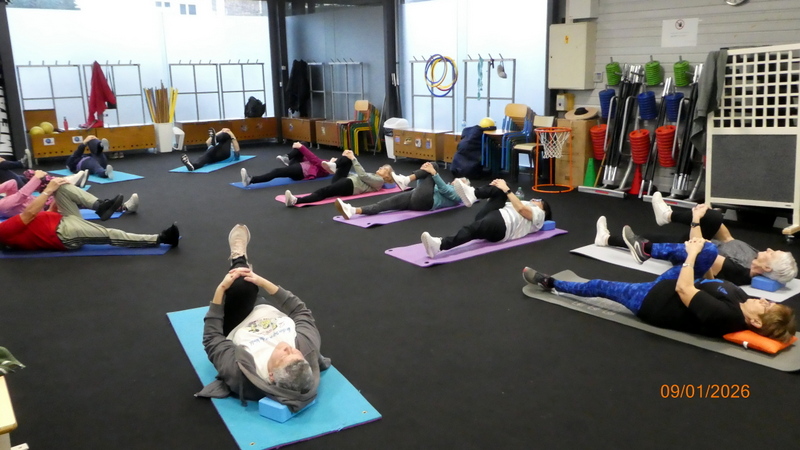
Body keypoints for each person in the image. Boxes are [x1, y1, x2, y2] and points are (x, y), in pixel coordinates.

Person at [523, 237, 797, 342]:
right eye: (770, 301)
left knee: (599, 286)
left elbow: (684, 289)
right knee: (709, 251)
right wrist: (700, 255)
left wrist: (691, 256)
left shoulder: (726, 316)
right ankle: (646, 248)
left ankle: (551, 283)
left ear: (755, 322)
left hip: (653, 300)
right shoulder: (743, 298)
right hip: (676, 282)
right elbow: (713, 281)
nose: (765, 300)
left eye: (767, 306)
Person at [195, 224, 328, 411]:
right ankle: (246, 274)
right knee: (251, 285)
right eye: (295, 353)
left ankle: (238, 258)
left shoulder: (242, 373)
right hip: (266, 307)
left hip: (238, 321)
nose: (289, 348)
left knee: (242, 286)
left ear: (271, 376)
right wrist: (262, 282)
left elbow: (212, 339)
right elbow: (299, 311)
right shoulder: (307, 348)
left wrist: (221, 290)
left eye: (285, 356)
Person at [595, 214, 798, 287]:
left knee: (652, 241)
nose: (769, 249)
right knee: (714, 217)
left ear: (767, 268)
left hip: (689, 251)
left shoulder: (738, 271)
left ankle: (639, 244)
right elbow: (729, 239)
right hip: (699, 243)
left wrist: (695, 220)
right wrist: (710, 218)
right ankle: (606, 239)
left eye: (772, 254)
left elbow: (700, 249)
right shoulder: (754, 255)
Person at [0, 178, 179, 251]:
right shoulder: (3, 231)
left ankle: (100, 207)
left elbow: (43, 217)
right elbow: (31, 213)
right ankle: (161, 239)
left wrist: (57, 194)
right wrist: (47, 191)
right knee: (110, 235)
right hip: (63, 234)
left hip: (64, 219)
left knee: (62, 187)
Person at [420, 178, 552, 258]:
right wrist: (494, 187)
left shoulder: (540, 215)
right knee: (501, 187)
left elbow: (522, 210)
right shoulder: (521, 202)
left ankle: (440, 245)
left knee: (472, 229)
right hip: (495, 215)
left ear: (543, 208)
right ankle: (473, 193)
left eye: (539, 200)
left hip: (503, 225)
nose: (535, 199)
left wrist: (507, 190)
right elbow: (495, 201)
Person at [334, 162, 464, 219]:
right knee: (384, 204)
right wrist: (424, 172)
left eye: (461, 181)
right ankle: (353, 210)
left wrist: (433, 173)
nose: (456, 180)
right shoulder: (443, 184)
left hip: (426, 203)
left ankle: (406, 180)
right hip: (415, 197)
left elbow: (446, 191)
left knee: (434, 166)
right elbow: (422, 187)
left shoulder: (459, 196)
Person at [283, 149, 393, 207]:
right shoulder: (374, 176)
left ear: (387, 176)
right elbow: (356, 175)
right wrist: (345, 161)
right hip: (346, 181)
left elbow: (362, 175)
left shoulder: (380, 181)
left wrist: (354, 159)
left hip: (349, 186)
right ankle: (334, 165)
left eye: (383, 168)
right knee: (347, 158)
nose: (380, 167)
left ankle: (296, 200)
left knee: (324, 191)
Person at [1, 169, 89, 219]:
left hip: (43, 200)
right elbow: (22, 195)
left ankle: (67, 182)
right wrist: (37, 178)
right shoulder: (2, 206)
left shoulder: (5, 204)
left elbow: (12, 183)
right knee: (71, 197)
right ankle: (67, 182)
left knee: (29, 174)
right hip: (45, 207)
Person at [240, 141, 329, 187]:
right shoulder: (328, 163)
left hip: (302, 171)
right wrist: (300, 148)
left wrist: (301, 148)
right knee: (304, 144)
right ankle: (287, 157)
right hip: (301, 165)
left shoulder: (328, 167)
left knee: (276, 172)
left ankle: (250, 180)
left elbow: (314, 160)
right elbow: (310, 160)